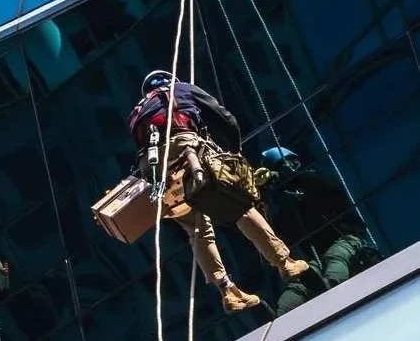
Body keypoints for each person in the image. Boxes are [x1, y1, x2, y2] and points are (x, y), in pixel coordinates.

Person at [129, 70, 307, 314]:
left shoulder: (137, 113)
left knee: (198, 231)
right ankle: (285, 263)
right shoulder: (182, 89)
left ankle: (228, 292)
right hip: (187, 151)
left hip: (155, 172)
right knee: (240, 206)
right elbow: (225, 117)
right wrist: (234, 150)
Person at [260, 148, 379, 314]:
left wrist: (292, 179)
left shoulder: (319, 180)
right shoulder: (287, 209)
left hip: (349, 240)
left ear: (295, 164)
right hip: (319, 258)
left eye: (281, 167)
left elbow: (324, 186)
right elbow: (279, 239)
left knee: (335, 257)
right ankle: (281, 314)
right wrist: (265, 207)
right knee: (298, 282)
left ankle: (333, 289)